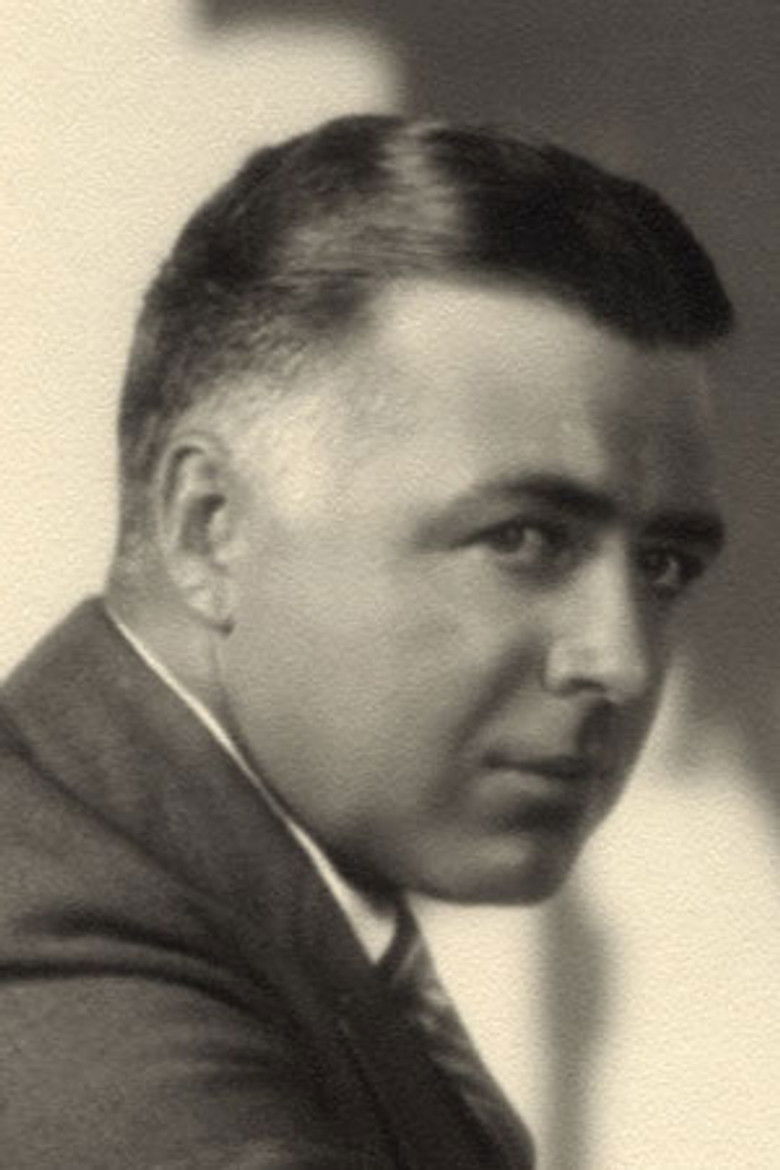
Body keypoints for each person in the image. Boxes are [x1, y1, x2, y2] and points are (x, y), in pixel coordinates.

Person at [0, 115, 732, 1169]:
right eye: (522, 539)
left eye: (663, 566)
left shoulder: (188, 884)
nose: (620, 660)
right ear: (210, 526)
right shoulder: (56, 949)